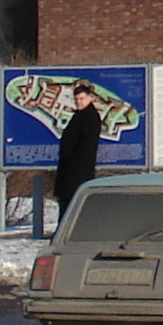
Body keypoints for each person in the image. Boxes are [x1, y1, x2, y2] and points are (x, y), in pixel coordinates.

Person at [53, 85, 105, 225]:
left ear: (90, 98)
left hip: (78, 171)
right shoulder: (79, 115)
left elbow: (86, 147)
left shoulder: (90, 117)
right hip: (70, 170)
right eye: (76, 99)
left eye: (82, 98)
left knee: (73, 204)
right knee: (66, 203)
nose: (79, 102)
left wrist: (72, 163)